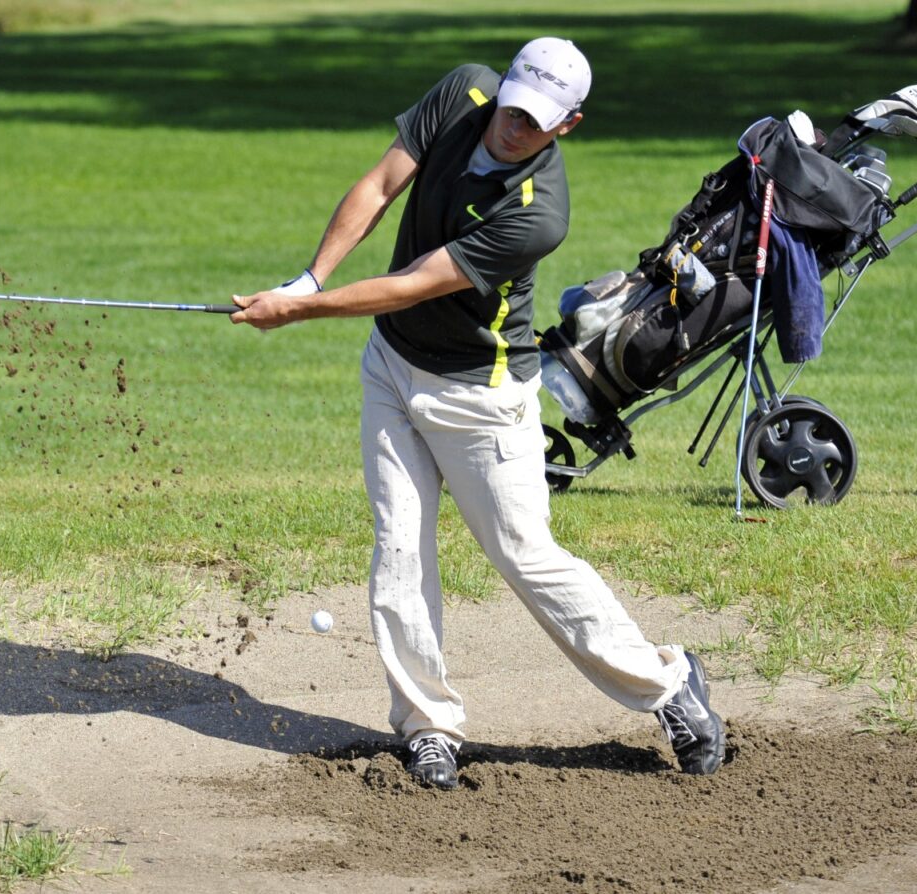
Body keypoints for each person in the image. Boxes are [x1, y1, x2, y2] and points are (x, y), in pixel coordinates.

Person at [231, 37, 725, 788]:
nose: (513, 126)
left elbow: (414, 283)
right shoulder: (463, 92)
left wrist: (298, 314)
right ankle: (428, 724)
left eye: (535, 120)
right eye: (513, 104)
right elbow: (377, 187)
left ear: (569, 124)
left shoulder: (538, 213)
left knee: (525, 556)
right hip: (392, 368)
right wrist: (306, 279)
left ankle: (667, 684)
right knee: (399, 546)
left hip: (480, 398)